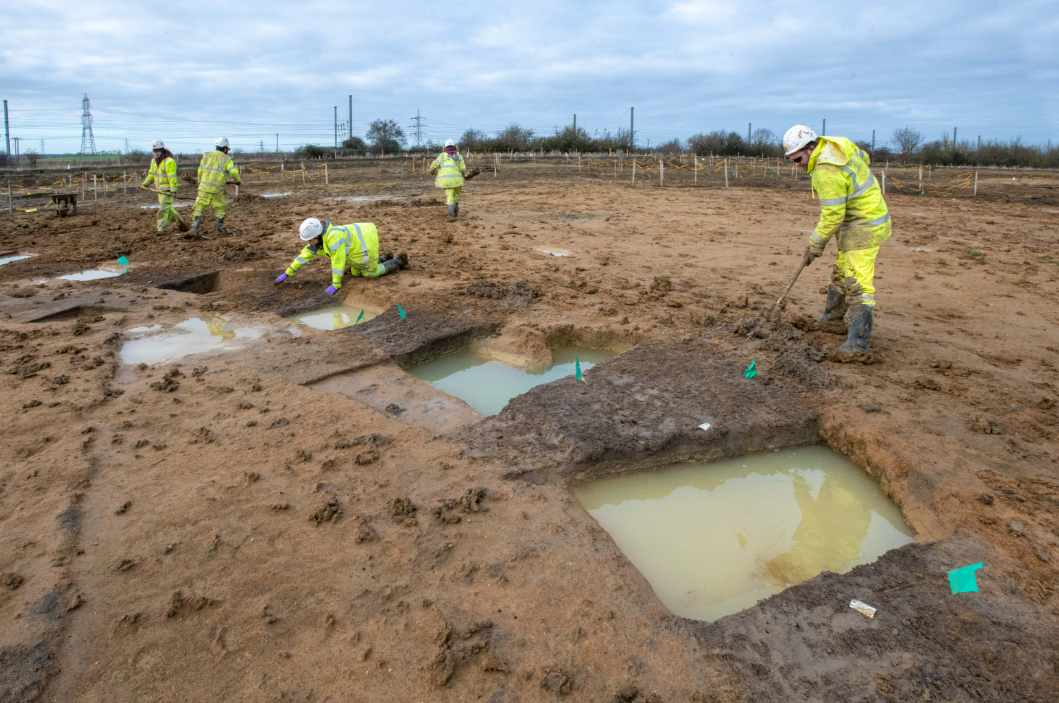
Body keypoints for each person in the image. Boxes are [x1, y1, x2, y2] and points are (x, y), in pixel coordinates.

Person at [784, 125, 892, 355]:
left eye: (798, 159)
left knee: (858, 283)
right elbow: (865, 157)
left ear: (810, 148)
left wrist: (815, 244)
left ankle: (858, 343)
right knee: (842, 272)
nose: (797, 165)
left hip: (864, 224)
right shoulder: (836, 144)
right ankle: (832, 318)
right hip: (857, 219)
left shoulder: (825, 170)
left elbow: (833, 215)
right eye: (792, 160)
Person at [274, 218, 408, 295]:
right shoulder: (319, 241)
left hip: (365, 242)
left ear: (317, 236)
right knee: (356, 272)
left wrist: (336, 284)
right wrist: (287, 274)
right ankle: (384, 258)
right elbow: (303, 257)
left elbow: (338, 262)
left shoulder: (333, 238)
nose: (308, 243)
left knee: (369, 273)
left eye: (309, 240)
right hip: (357, 247)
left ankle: (398, 261)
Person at [190, 137, 240, 234]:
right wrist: (237, 180)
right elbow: (233, 171)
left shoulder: (206, 155)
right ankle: (219, 230)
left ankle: (193, 228)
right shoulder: (227, 159)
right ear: (225, 148)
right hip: (218, 190)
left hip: (204, 188)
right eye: (228, 149)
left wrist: (200, 182)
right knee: (220, 208)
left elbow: (200, 170)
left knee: (198, 207)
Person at [141, 139, 181, 234]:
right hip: (160, 191)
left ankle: (161, 229)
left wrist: (173, 189)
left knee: (163, 209)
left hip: (167, 191)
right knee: (168, 209)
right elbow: (151, 175)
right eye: (154, 151)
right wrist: (145, 183)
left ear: (162, 149)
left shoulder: (169, 161)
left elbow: (172, 177)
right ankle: (181, 224)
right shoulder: (153, 161)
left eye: (158, 150)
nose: (156, 153)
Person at [429, 138, 467, 221]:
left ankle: (451, 215)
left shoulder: (442, 156)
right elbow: (463, 169)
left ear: (444, 147)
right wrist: (464, 175)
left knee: (449, 196)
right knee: (456, 195)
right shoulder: (459, 156)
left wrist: (431, 171)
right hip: (457, 180)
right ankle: (456, 210)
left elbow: (434, 165)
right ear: (455, 146)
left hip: (446, 181)